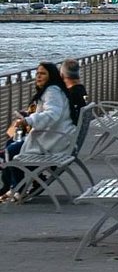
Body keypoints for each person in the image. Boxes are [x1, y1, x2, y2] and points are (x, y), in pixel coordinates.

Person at [0, 62, 76, 200]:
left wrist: (28, 120)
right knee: (10, 146)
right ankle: (14, 186)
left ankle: (17, 188)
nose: (38, 76)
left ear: (51, 76)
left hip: (53, 142)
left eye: (42, 74)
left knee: (10, 151)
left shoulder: (52, 91)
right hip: (57, 138)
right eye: (37, 74)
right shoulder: (56, 90)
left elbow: (53, 114)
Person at [60, 59, 88, 123]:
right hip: (79, 127)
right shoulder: (81, 89)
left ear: (62, 75)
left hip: (68, 130)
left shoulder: (70, 94)